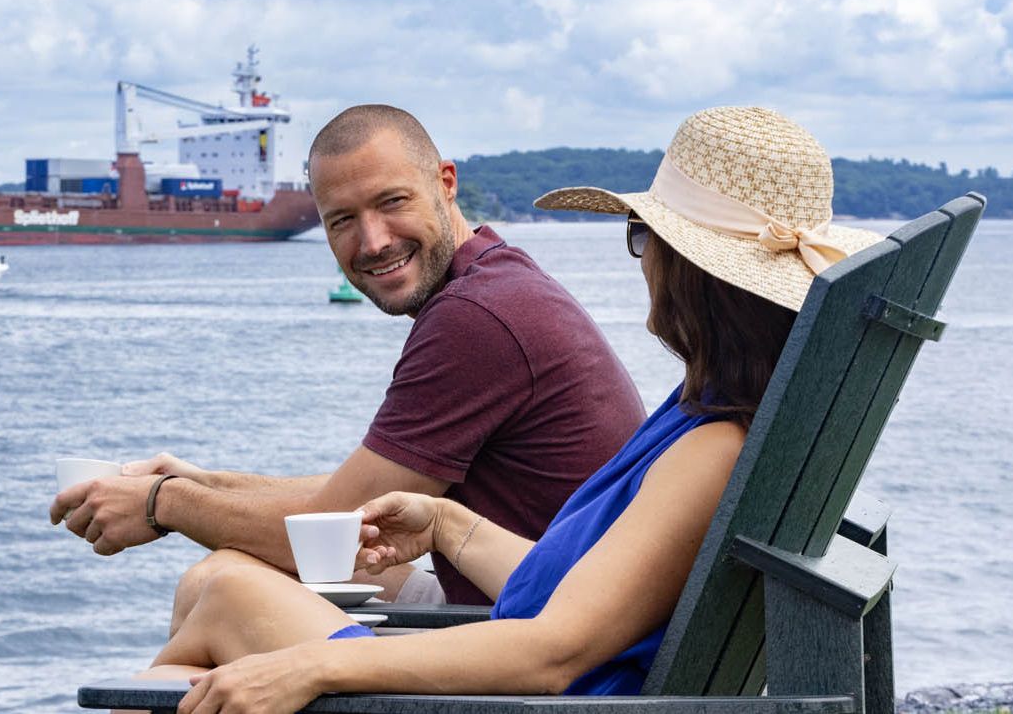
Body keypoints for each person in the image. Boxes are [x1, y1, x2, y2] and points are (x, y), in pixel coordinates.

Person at [137, 106, 885, 711]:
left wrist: (312, 669)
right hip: (539, 689)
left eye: (641, 236)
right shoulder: (712, 419)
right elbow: (592, 600)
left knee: (226, 591)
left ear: (686, 270)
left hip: (527, 704)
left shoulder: (709, 448)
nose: (642, 259)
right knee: (218, 598)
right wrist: (447, 523)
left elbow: (554, 653)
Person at [50, 105, 645, 614]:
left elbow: (328, 532)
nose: (374, 240)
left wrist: (164, 505)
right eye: (342, 221)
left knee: (220, 586)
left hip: (546, 640)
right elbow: (362, 497)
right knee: (232, 574)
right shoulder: (497, 281)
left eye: (392, 202)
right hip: (541, 601)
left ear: (446, 183)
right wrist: (207, 483)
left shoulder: (475, 319)